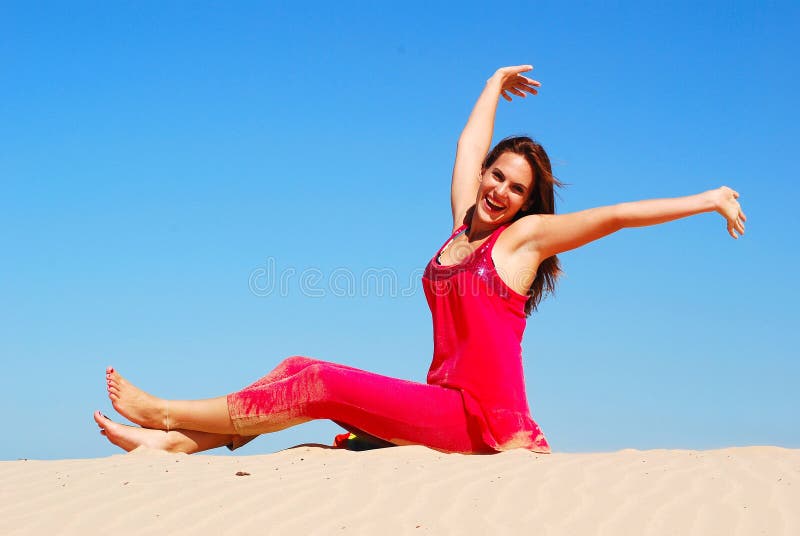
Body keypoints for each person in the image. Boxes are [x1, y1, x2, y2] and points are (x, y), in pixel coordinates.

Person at [94, 64, 746, 455]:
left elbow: (615, 217)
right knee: (297, 365)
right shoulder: (464, 225)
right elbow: (467, 144)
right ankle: (177, 444)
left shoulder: (519, 243)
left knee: (320, 385)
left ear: (527, 203)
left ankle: (169, 414)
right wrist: (493, 82)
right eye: (498, 176)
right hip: (441, 404)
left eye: (515, 189)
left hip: (483, 425)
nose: (498, 190)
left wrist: (708, 198)